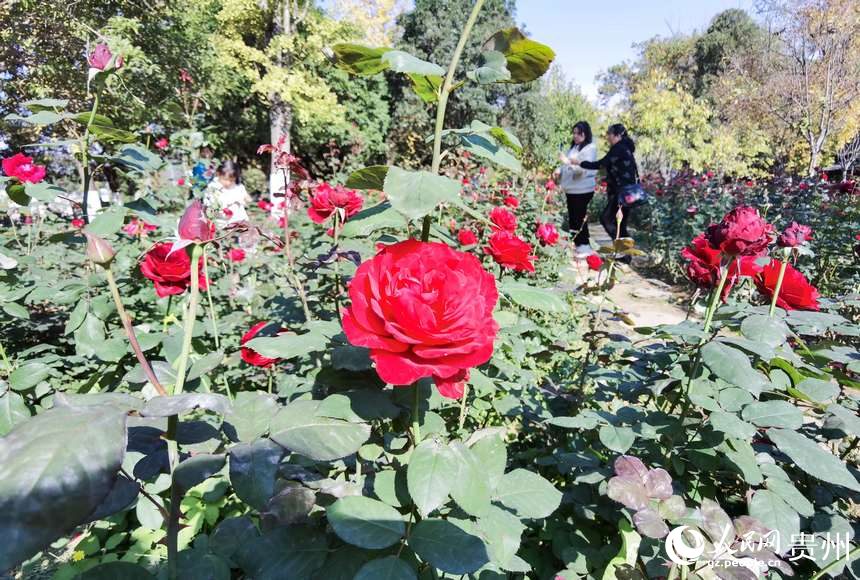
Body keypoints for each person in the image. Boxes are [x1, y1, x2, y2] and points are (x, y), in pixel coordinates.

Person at [572, 123, 638, 244]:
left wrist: (580, 163)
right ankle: (625, 254)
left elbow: (601, 164)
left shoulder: (619, 148)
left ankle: (624, 249)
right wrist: (605, 179)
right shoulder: (625, 148)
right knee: (620, 225)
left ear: (617, 135)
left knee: (606, 219)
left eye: (610, 134)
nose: (608, 137)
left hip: (622, 193)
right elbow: (620, 170)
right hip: (627, 192)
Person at [555, 121, 597, 257]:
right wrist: (558, 170)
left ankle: (585, 246)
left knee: (579, 218)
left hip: (583, 189)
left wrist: (566, 162)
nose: (575, 136)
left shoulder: (590, 148)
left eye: (578, 133)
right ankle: (579, 245)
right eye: (574, 133)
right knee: (573, 218)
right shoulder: (574, 148)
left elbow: (583, 169)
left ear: (585, 134)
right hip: (571, 189)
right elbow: (566, 165)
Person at [205, 160, 251, 226]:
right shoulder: (213, 187)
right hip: (221, 223)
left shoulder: (238, 186)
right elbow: (208, 205)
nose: (228, 183)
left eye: (232, 180)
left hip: (240, 221)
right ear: (218, 174)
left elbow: (247, 198)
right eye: (225, 179)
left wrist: (245, 199)